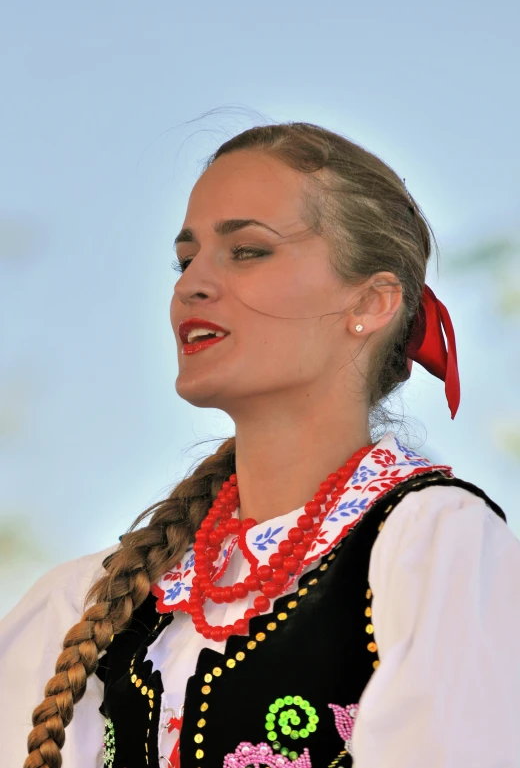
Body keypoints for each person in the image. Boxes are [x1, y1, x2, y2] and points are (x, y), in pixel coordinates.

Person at [1, 122, 519, 768]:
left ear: (372, 301)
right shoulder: (87, 602)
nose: (192, 283)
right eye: (185, 258)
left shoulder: (434, 546)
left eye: (246, 250)